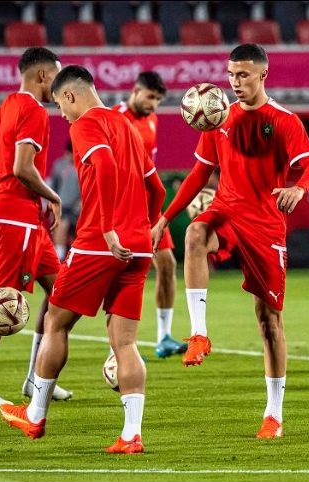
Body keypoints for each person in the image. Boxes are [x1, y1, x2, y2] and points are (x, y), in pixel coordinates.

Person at [151, 44, 309, 439]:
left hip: (265, 226)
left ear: (263, 75)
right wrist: (163, 219)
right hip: (226, 211)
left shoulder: (282, 120)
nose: (234, 82)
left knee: (269, 323)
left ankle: (274, 413)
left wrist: (299, 189)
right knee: (196, 233)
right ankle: (199, 333)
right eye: (230, 75)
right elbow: (198, 175)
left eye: (243, 75)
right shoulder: (218, 119)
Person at [0, 66, 166, 454]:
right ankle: (131, 435)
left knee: (55, 320)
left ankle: (35, 416)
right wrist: (149, 229)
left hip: (99, 243)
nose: (61, 114)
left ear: (71, 96)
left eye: (59, 105)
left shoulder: (86, 125)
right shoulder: (128, 126)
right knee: (124, 343)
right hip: (138, 246)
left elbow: (104, 166)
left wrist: (108, 228)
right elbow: (155, 187)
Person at [0, 47, 72, 406]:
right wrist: (54, 197)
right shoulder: (33, 111)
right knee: (5, 299)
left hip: (18, 217)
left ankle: (36, 379)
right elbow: (23, 169)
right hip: (15, 216)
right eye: (56, 76)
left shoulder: (3, 110)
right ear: (41, 76)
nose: (58, 85)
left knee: (64, 294)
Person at [113, 71, 187, 358]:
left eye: (158, 99)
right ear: (135, 90)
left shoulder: (152, 121)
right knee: (123, 272)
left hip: (149, 208)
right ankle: (117, 344)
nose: (154, 104)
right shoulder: (115, 118)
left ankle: (164, 336)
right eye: (150, 97)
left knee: (167, 264)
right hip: (124, 208)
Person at [47, 140, 81, 261]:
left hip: (79, 208)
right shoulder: (59, 165)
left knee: (74, 235)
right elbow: (52, 187)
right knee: (61, 223)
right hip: (62, 206)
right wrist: (51, 205)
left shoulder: (84, 165)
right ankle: (59, 256)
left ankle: (74, 258)